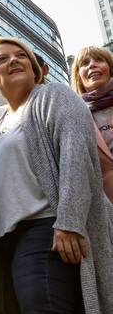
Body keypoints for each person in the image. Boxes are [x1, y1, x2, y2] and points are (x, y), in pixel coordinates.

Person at [0, 38, 113, 314]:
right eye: (2, 59)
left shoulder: (54, 96)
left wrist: (69, 222)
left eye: (21, 55)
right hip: (9, 239)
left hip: (46, 228)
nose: (14, 60)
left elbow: (76, 154)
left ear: (35, 67)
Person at [70, 45, 113, 201]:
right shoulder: (75, 116)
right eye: (84, 63)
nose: (92, 65)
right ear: (79, 78)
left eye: (99, 60)